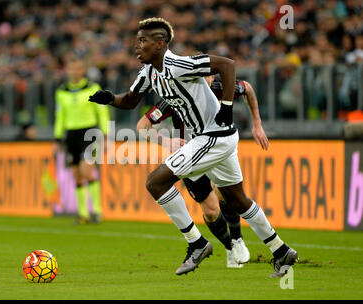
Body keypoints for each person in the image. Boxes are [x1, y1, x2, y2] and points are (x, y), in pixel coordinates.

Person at [89, 17, 297, 277]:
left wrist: (228, 108)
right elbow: (130, 101)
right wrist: (109, 99)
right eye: (137, 40)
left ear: (160, 43)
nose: (136, 46)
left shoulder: (179, 65)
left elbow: (227, 65)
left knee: (155, 182)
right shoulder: (149, 73)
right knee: (237, 200)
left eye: (142, 40)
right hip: (217, 139)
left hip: (211, 136)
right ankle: (281, 251)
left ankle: (197, 244)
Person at [136, 75, 268, 268]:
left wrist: (257, 124)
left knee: (225, 193)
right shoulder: (175, 97)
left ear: (212, 76)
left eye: (205, 75)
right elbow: (142, 126)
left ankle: (238, 239)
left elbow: (247, 87)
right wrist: (164, 140)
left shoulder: (219, 87)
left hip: (215, 149)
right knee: (211, 211)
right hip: (190, 157)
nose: (202, 80)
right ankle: (230, 248)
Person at [54, 57, 110, 224]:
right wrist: (57, 139)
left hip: (89, 132)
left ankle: (98, 212)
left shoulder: (93, 88)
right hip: (71, 134)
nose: (75, 72)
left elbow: (102, 113)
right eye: (72, 69)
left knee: (87, 170)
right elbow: (60, 117)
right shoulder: (61, 92)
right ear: (68, 71)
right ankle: (83, 214)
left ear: (83, 71)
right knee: (77, 175)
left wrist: (106, 135)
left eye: (78, 69)